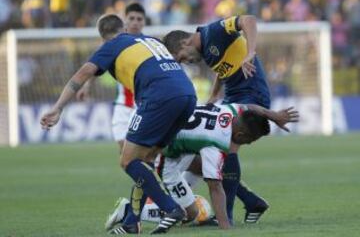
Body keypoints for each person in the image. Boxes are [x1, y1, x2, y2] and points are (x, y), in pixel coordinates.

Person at [40, 13, 197, 235]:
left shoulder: (112, 45)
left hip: (159, 97)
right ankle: (132, 222)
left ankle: (171, 208)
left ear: (102, 36)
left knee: (127, 160)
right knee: (146, 159)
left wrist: (58, 107)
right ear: (123, 28)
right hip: (188, 95)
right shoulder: (149, 39)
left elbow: (83, 72)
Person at [105, 103, 299, 231]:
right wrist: (225, 227)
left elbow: (251, 107)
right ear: (240, 136)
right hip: (168, 160)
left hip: (179, 138)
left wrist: (273, 116)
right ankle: (128, 210)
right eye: (249, 141)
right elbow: (215, 187)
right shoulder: (217, 143)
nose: (247, 144)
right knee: (191, 214)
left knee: (202, 168)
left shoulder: (231, 111)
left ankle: (249, 201)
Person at [163, 15, 272, 224]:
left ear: (185, 43)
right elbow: (223, 67)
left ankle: (226, 218)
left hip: (252, 92)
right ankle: (251, 201)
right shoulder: (205, 48)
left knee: (227, 148)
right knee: (202, 155)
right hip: (233, 95)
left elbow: (248, 20)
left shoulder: (214, 32)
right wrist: (214, 94)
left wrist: (250, 53)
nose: (185, 62)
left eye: (181, 57)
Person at [77, 2, 146, 157]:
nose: (135, 22)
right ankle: (144, 179)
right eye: (131, 18)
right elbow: (96, 65)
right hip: (123, 105)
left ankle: (146, 180)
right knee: (124, 153)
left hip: (143, 105)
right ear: (124, 21)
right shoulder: (112, 44)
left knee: (140, 154)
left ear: (144, 22)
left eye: (139, 19)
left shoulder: (149, 43)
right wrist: (87, 87)